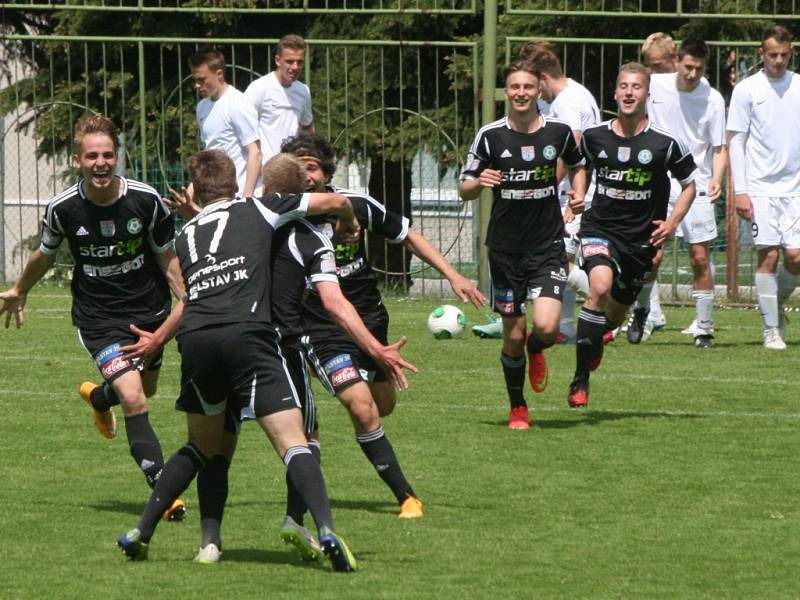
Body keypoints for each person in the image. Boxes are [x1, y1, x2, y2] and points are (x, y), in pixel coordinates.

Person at [116, 149, 361, 572]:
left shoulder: (186, 233)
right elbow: (335, 202)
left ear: (195, 190)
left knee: (201, 445)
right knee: (293, 442)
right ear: (236, 184)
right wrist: (350, 223)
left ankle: (142, 531)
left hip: (196, 338)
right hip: (247, 334)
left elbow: (188, 295)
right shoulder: (259, 209)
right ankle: (324, 529)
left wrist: (158, 340)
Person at [182, 153, 416, 564]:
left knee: (217, 447)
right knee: (304, 441)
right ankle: (305, 521)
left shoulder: (248, 220)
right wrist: (376, 349)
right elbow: (334, 302)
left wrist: (199, 210)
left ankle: (209, 542)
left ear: (266, 191)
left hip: (222, 343)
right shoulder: (306, 235)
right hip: (277, 349)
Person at [282, 132, 485, 516]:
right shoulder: (282, 215)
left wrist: (454, 276)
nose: (306, 176)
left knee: (383, 405)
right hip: (321, 328)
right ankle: (406, 496)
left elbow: (408, 235)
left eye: (312, 167)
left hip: (370, 318)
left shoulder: (356, 205)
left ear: (326, 170)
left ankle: (335, 373)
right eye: (298, 169)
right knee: (361, 407)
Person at [0, 115, 187, 520]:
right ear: (77, 160)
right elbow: (45, 255)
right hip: (98, 319)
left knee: (145, 389)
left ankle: (99, 397)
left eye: (107, 155)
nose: (100, 163)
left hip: (149, 314)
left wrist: (187, 299)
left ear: (117, 157)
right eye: (91, 156)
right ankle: (165, 493)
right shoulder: (64, 208)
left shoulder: (146, 200)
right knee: (135, 398)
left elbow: (166, 256)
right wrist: (20, 289)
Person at [459, 60, 587, 430]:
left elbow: (578, 165)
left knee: (546, 328)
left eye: (527, 87)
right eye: (514, 87)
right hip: (504, 248)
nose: (521, 93)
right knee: (512, 334)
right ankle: (518, 406)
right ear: (507, 92)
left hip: (547, 243)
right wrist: (479, 180)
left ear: (538, 91)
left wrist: (577, 196)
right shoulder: (490, 135)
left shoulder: (558, 133)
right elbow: (464, 189)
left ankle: (537, 349)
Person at [568, 63, 697, 408]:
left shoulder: (664, 142)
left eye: (636, 87)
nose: (628, 92)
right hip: (600, 228)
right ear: (615, 93)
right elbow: (577, 164)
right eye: (623, 86)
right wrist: (578, 192)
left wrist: (671, 224)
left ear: (646, 95)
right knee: (598, 288)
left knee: (613, 315)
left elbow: (689, 186)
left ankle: (601, 335)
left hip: (640, 238)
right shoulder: (595, 136)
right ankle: (580, 380)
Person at [646, 37, 728, 348]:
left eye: (699, 68)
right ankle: (646, 312)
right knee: (651, 255)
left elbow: (719, 148)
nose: (692, 74)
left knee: (699, 256)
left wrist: (717, 178)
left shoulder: (713, 99)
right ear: (677, 60)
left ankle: (704, 328)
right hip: (657, 184)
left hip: (696, 184)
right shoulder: (654, 85)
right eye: (688, 66)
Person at [728, 25, 800, 350]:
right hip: (760, 188)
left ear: (791, 53)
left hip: (795, 188)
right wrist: (740, 190)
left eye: (784, 55)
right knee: (769, 256)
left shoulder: (798, 86)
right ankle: (771, 326)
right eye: (772, 55)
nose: (778, 61)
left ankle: (775, 305)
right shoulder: (746, 89)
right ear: (761, 54)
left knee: (796, 259)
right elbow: (736, 141)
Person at [528, 48, 600, 343]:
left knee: (559, 263)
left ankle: (609, 307)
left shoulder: (567, 103)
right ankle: (566, 329)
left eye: (534, 85)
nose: (534, 94)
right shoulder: (575, 93)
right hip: (573, 193)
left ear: (543, 78)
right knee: (561, 260)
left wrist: (543, 186)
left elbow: (573, 152)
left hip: (574, 195)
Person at [189, 48, 262, 199]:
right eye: (195, 80)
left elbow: (255, 153)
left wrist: (247, 198)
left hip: (240, 195)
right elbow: (209, 152)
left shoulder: (238, 103)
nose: (197, 85)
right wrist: (190, 193)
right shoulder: (202, 107)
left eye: (201, 79)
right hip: (216, 196)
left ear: (219, 74)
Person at [244, 34, 314, 164]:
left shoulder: (303, 91)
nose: (295, 67)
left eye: (299, 62)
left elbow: (307, 127)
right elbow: (242, 127)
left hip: (292, 170)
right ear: (277, 60)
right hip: (264, 173)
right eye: (289, 61)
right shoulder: (259, 88)